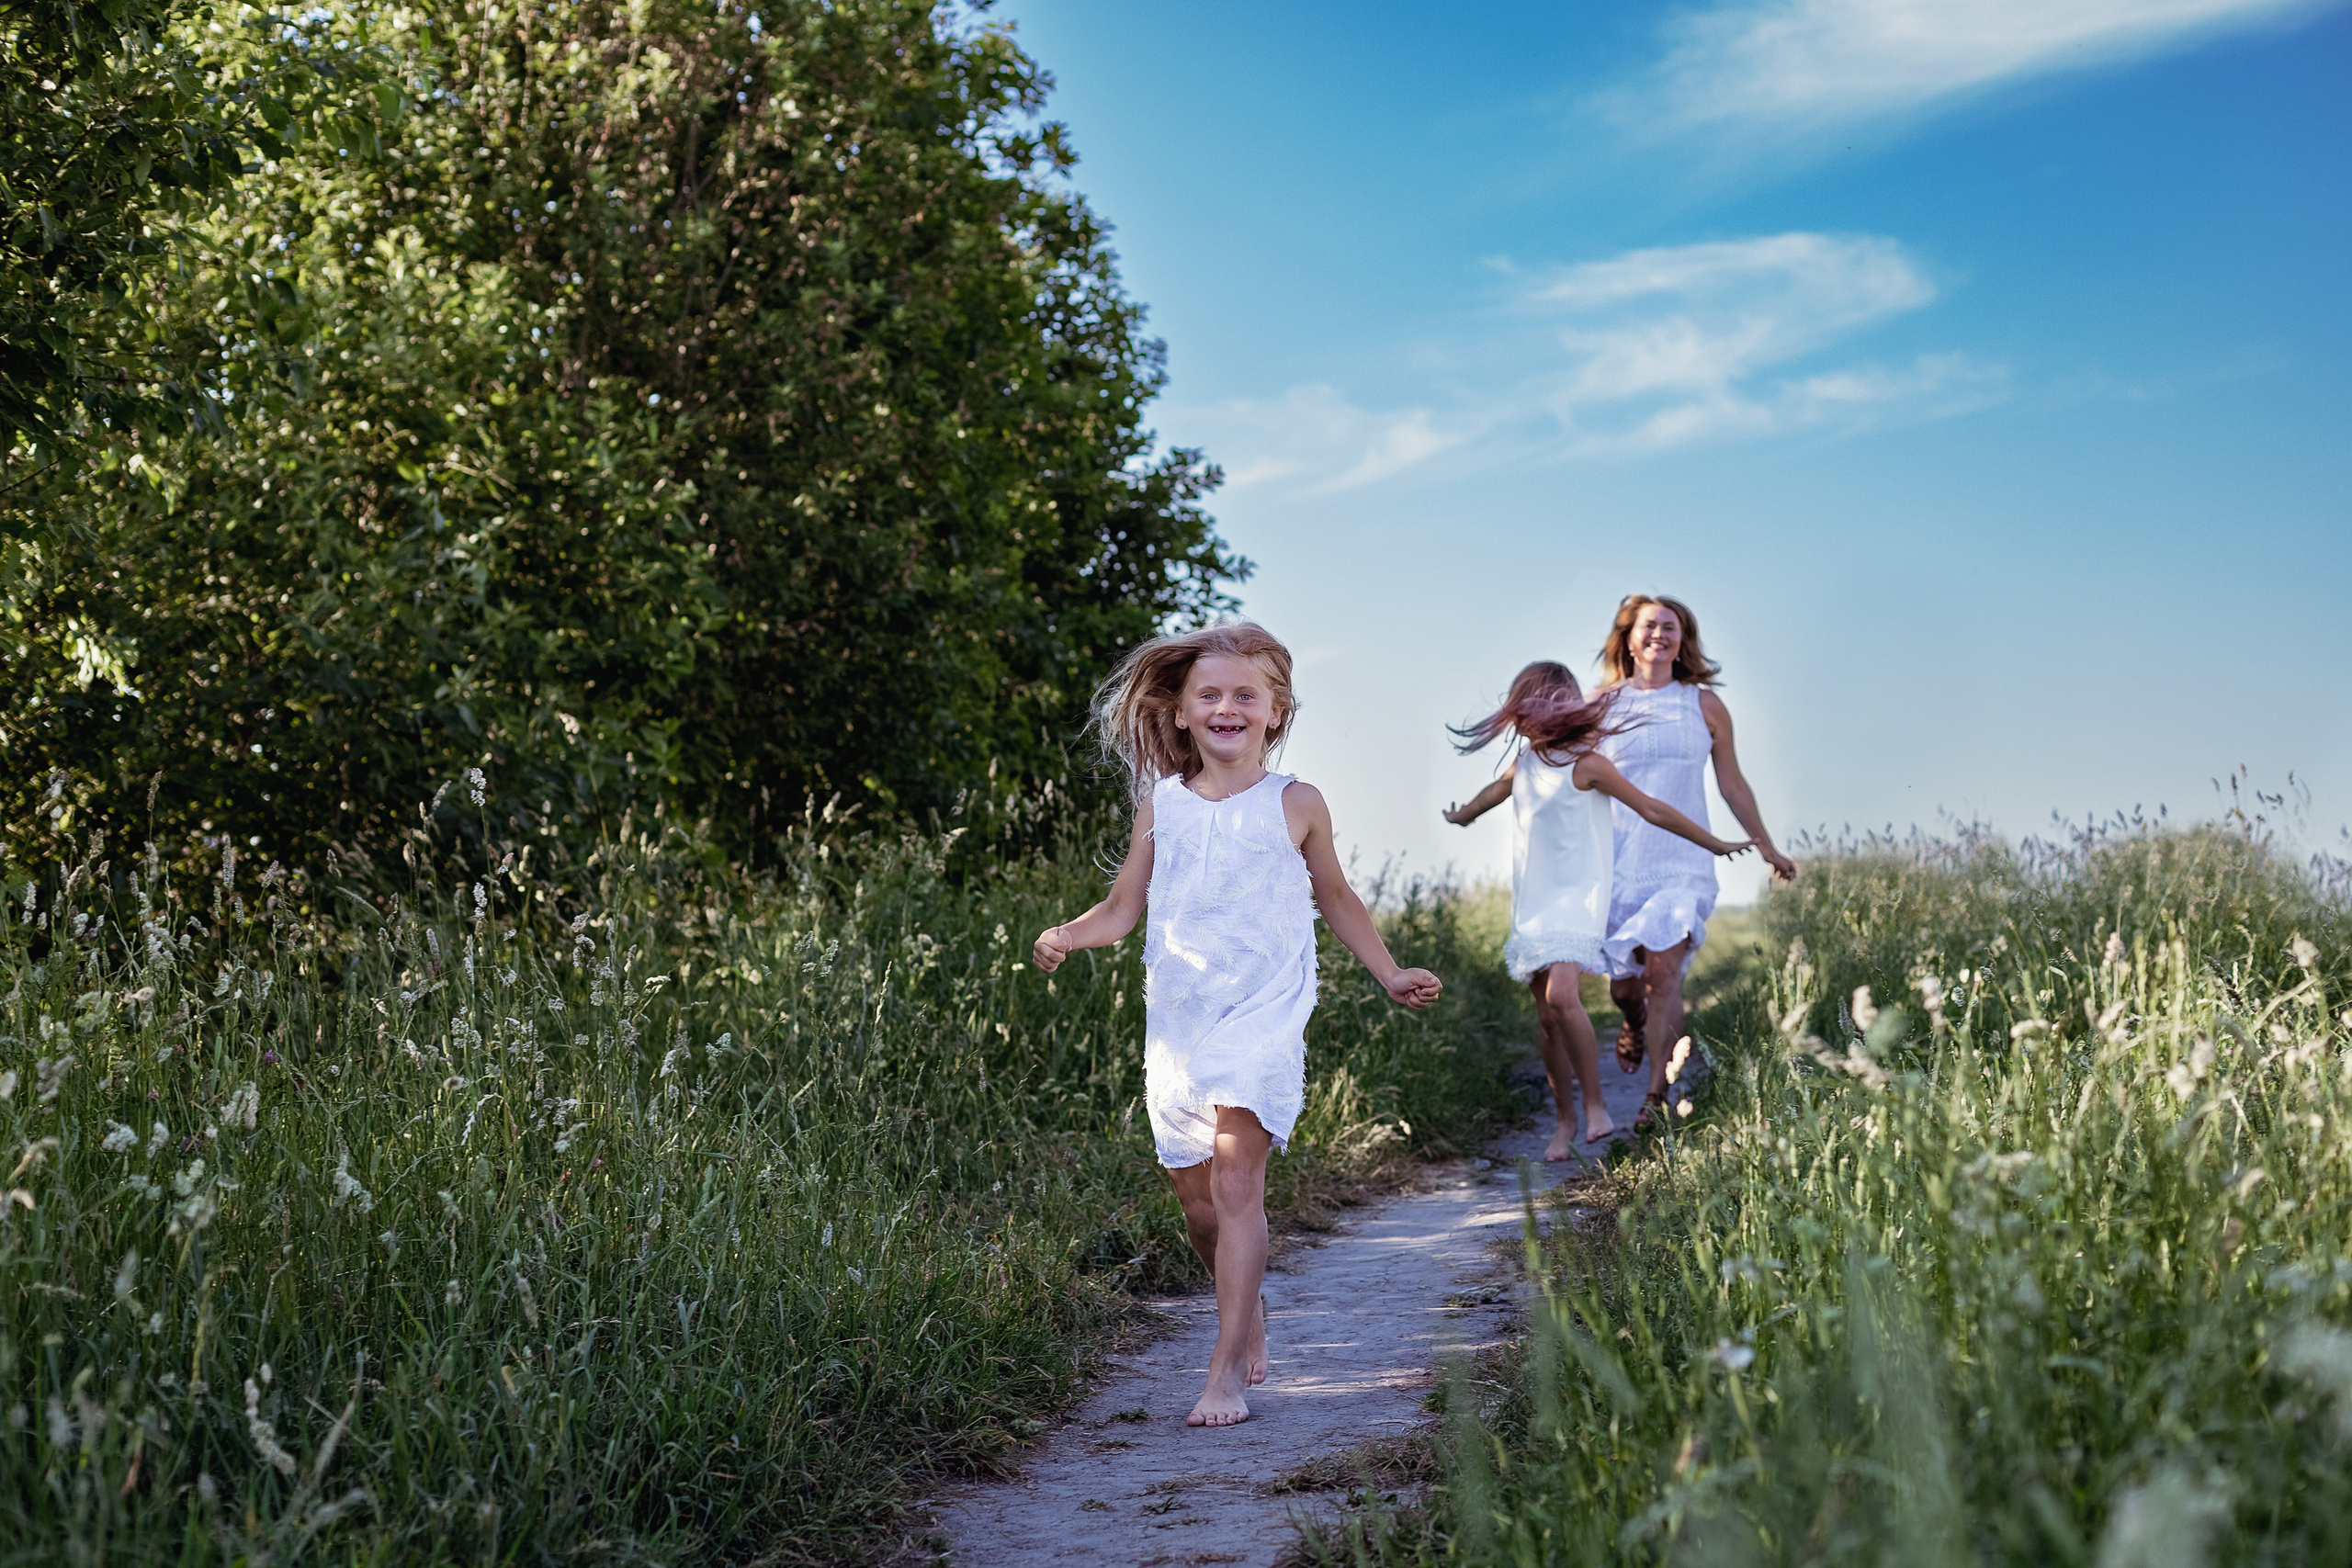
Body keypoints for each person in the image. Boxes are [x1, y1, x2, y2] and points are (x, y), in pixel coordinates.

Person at [1032, 622, 1442, 1428]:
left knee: (1235, 1180)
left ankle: (1224, 1371)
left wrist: (1390, 970)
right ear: (1181, 713)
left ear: (1275, 712)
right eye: (1209, 695)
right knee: (1196, 1200)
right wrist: (1066, 935)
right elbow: (1122, 908)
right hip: (1181, 1020)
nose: (1227, 706)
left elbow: (1337, 897)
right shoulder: (1166, 804)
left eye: (1245, 695)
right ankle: (1242, 1301)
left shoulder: (1297, 803)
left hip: (1265, 1010)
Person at [1442, 661, 1749, 1156]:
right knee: (1546, 1017)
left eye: (1555, 702)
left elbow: (1651, 808)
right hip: (1535, 904)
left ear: (1570, 708)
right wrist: (1461, 816)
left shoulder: (1588, 764)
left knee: (1564, 995)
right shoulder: (1524, 765)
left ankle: (1595, 1106)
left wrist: (1711, 842)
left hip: (1579, 900)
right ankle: (1564, 1120)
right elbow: (1490, 797)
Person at [1594, 595, 1795, 1131]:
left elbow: (1731, 781)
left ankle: (1655, 1095)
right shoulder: (1602, 704)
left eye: (1671, 627)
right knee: (1625, 984)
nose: (1660, 634)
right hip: (1618, 860)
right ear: (1628, 638)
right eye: (1649, 626)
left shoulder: (1703, 705)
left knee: (1664, 972)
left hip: (1685, 859)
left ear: (1685, 640)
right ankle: (1632, 1020)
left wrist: (1765, 844)